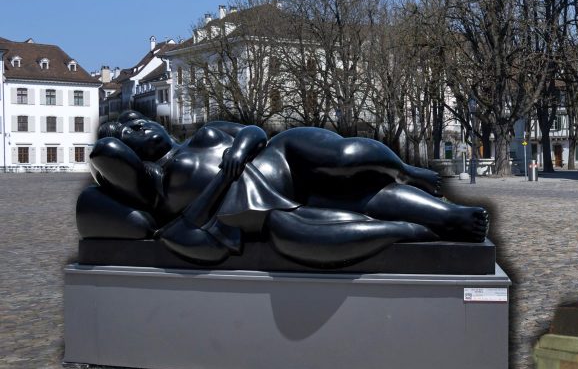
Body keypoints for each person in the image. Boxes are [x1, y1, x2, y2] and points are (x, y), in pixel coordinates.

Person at [77, 111, 488, 266]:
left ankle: (408, 171)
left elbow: (254, 131)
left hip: (282, 156)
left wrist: (239, 147)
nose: (141, 127)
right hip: (264, 210)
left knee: (347, 159)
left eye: (138, 121)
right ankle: (430, 228)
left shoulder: (204, 132)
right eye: (130, 132)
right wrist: (222, 182)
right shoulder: (159, 185)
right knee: (344, 211)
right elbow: (107, 154)